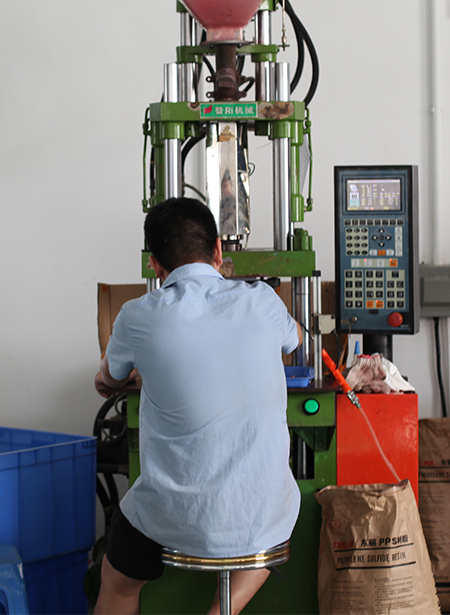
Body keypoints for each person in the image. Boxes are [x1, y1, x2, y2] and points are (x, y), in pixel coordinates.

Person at [94, 197, 303, 615]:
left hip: (173, 518)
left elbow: (109, 378)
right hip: (262, 515)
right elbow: (295, 338)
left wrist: (125, 376)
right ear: (219, 250)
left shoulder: (136, 315)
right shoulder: (263, 300)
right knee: (272, 519)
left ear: (154, 264)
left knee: (117, 581)